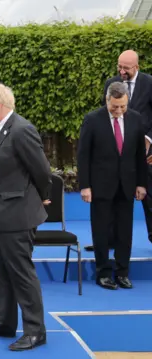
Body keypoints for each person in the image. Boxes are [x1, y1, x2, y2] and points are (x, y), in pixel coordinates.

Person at [0, 83, 50, 351]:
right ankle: (4, 321)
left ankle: (35, 331)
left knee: (21, 273)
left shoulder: (21, 130)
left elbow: (41, 171)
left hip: (16, 216)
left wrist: (39, 198)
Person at [77, 81, 147, 290]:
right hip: (100, 185)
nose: (118, 111)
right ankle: (103, 273)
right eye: (114, 106)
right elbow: (83, 155)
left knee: (125, 231)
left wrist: (142, 184)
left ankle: (123, 272)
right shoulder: (92, 119)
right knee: (101, 230)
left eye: (122, 107)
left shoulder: (136, 119)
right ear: (107, 100)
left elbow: (139, 156)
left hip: (127, 185)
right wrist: (85, 186)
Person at [98, 50, 152, 249]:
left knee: (150, 197)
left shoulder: (149, 83)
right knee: (115, 195)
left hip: (146, 150)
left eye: (126, 68)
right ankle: (111, 239)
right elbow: (105, 114)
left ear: (136, 67)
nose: (122, 71)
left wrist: (148, 139)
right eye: (119, 66)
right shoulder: (111, 84)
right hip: (119, 152)